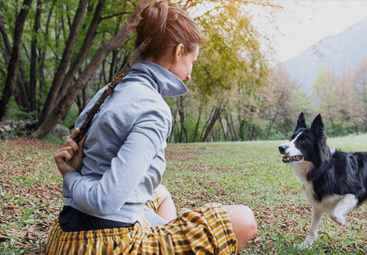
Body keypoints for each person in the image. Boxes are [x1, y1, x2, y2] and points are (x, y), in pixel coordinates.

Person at [46, 2, 257, 254]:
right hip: (103, 244)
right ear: (179, 51)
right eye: (193, 61)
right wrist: (69, 176)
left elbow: (88, 169)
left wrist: (74, 174)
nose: (190, 75)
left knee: (161, 193)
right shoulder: (153, 107)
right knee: (244, 220)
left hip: (64, 238)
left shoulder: (106, 92)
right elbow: (104, 200)